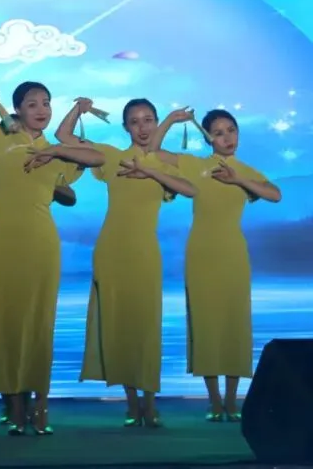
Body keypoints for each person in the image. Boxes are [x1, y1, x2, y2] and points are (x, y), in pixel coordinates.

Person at [0, 81, 104, 436]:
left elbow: (99, 158)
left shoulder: (57, 150)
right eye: (32, 104)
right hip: (0, 242)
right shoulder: (1, 138)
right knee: (5, 323)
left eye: (46, 103)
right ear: (17, 110)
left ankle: (41, 406)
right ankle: (15, 407)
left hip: (40, 242)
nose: (41, 109)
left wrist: (57, 149)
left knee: (39, 324)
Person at [56, 97, 197, 427]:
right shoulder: (112, 157)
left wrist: (151, 165)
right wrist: (78, 109)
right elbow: (64, 137)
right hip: (112, 251)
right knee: (119, 325)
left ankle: (150, 402)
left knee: (145, 326)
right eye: (135, 122)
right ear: (125, 128)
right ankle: (132, 404)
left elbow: (192, 190)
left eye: (149, 120)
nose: (142, 127)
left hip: (145, 252)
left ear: (156, 123)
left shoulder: (163, 165)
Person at [148, 107, 282, 421]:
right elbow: (153, 151)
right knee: (206, 322)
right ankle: (214, 401)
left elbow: (275, 195)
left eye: (231, 130)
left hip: (233, 253)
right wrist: (171, 120)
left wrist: (239, 180)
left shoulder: (246, 171)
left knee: (234, 322)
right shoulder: (196, 165)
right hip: (201, 254)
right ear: (208, 138)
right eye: (219, 133)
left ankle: (232, 401)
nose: (227, 138)